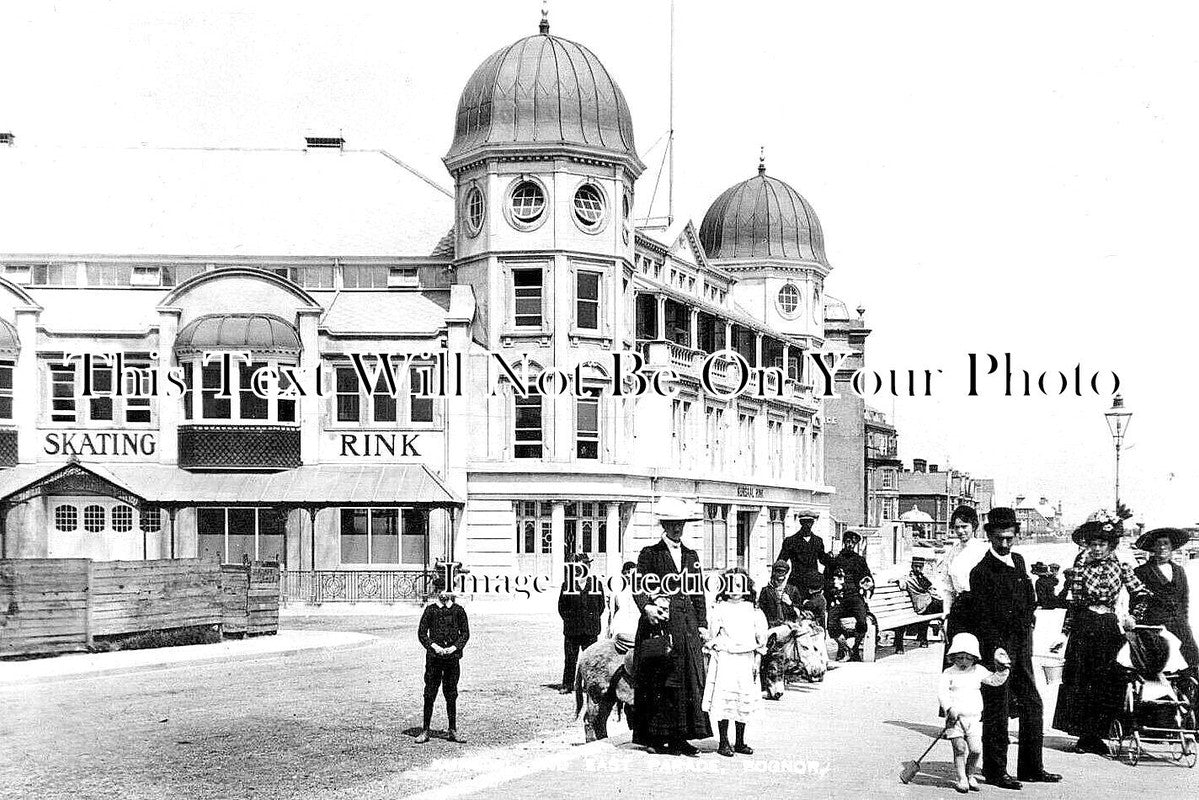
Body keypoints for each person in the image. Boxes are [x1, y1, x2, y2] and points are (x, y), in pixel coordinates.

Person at [967, 506, 1061, 788]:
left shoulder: (1019, 561)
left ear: (1016, 535)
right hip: (998, 649)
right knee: (998, 709)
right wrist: (995, 649)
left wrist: (1028, 625)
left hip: (1022, 645)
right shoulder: (981, 572)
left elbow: (1030, 600)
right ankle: (996, 771)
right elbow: (981, 617)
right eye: (999, 539)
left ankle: (1032, 767)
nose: (1005, 543)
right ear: (989, 537)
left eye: (1010, 537)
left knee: (1033, 704)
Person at [1052, 510, 1151, 755]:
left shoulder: (1122, 565)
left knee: (1107, 681)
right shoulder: (1080, 567)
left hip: (1108, 627)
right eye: (1093, 544)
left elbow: (1141, 594)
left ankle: (1101, 735)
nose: (1096, 548)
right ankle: (1084, 736)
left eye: (1102, 544)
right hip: (1084, 627)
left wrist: (1133, 616)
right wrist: (1063, 634)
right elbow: (1074, 604)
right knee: (1080, 680)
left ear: (1111, 545)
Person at [632, 497, 712, 755]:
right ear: (664, 525)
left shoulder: (691, 555)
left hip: (687, 627)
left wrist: (702, 624)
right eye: (672, 524)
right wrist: (648, 607)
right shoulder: (650, 554)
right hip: (661, 627)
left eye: (681, 524)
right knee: (661, 681)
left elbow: (698, 593)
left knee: (688, 682)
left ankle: (681, 737)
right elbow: (638, 586)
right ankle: (656, 738)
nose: (677, 528)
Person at [702, 568, 769, 757]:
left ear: (746, 587)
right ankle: (723, 742)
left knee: (742, 699)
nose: (735, 589)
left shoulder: (754, 610)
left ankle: (740, 741)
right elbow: (712, 634)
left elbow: (760, 639)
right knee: (725, 701)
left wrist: (757, 659)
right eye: (730, 584)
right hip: (725, 659)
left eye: (739, 585)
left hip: (746, 659)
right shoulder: (719, 608)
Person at [940, 633, 1012, 794]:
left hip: (974, 718)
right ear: (953, 657)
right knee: (959, 748)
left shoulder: (978, 670)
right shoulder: (948, 673)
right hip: (955, 719)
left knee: (976, 750)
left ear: (974, 657)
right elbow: (942, 693)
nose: (964, 662)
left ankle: (970, 773)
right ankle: (961, 779)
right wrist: (949, 708)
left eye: (967, 658)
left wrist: (1002, 670)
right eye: (959, 658)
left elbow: (994, 681)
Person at [1133, 527, 1198, 681]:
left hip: (1178, 623)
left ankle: (1190, 693)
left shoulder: (1179, 570)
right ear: (1153, 548)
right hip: (1154, 625)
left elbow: (1184, 599)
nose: (1162, 547)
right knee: (1161, 663)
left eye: (1166, 543)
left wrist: (1183, 620)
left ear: (1171, 548)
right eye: (1158, 544)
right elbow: (1135, 602)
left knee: (1192, 658)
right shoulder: (1142, 572)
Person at [415, 579, 470, 744]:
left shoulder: (458, 611)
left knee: (451, 693)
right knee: (430, 693)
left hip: (452, 659)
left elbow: (465, 633)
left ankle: (452, 730)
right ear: (437, 591)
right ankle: (425, 730)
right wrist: (433, 647)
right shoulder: (430, 610)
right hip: (434, 659)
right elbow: (422, 633)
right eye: (441, 590)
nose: (445, 593)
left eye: (448, 590)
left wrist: (454, 648)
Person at [936, 505, 987, 667]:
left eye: (964, 526)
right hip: (960, 607)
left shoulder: (983, 550)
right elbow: (947, 587)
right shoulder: (952, 552)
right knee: (955, 652)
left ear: (973, 526)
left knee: (977, 653)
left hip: (980, 606)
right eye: (957, 527)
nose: (960, 531)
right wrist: (946, 614)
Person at [775, 511, 835, 626]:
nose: (807, 525)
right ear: (800, 522)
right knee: (793, 613)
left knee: (817, 615)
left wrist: (835, 562)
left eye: (810, 522)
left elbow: (823, 559)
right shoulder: (790, 541)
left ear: (813, 523)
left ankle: (819, 639)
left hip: (814, 586)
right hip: (796, 584)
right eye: (804, 522)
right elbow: (781, 561)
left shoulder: (818, 541)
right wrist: (778, 580)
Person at [558, 553, 606, 694]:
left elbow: (601, 606)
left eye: (587, 564)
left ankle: (590, 685)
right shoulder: (568, 584)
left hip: (590, 630)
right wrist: (571, 620)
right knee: (570, 659)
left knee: (591, 660)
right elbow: (562, 607)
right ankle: (567, 685)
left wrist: (592, 619)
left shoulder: (596, 584)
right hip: (572, 630)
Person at [899, 557, 944, 652]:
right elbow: (902, 584)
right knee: (940, 608)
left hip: (929, 601)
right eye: (916, 566)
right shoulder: (908, 578)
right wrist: (897, 580)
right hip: (921, 605)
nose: (918, 569)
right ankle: (923, 637)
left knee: (947, 606)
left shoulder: (922, 577)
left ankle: (925, 636)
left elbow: (930, 587)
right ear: (912, 566)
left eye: (920, 567)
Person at [827, 568, 871, 661]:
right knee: (831, 623)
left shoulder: (857, 561)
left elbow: (868, 581)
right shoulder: (834, 561)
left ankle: (855, 648)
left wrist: (867, 588)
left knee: (862, 622)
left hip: (855, 599)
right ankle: (846, 649)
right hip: (840, 601)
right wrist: (835, 589)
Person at [758, 559, 801, 628]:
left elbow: (798, 614)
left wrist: (789, 603)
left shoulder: (792, 590)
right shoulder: (766, 591)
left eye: (782, 578)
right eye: (777, 578)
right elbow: (761, 612)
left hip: (789, 627)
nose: (780, 581)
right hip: (771, 627)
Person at [608, 560, 640, 653]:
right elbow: (613, 610)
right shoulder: (618, 589)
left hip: (635, 622)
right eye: (625, 573)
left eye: (630, 573)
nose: (628, 575)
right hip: (621, 623)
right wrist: (610, 626)